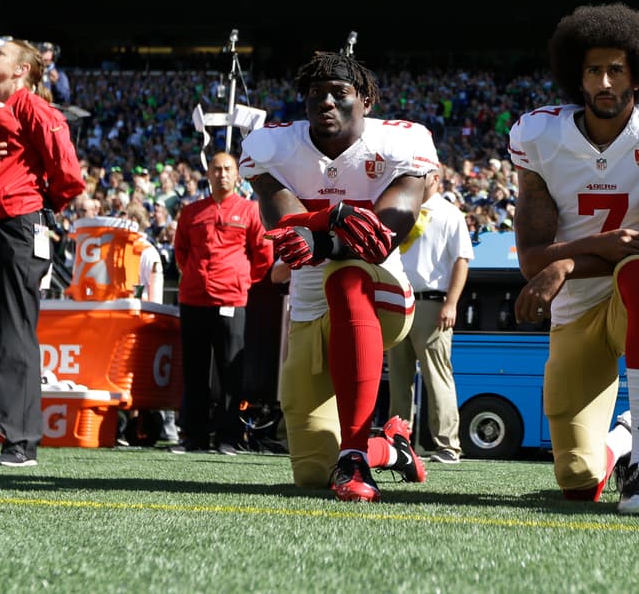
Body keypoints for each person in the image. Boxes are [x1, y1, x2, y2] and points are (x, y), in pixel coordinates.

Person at [508, 3, 639, 517]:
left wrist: (567, 263)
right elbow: (531, 259)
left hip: (635, 297)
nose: (603, 81)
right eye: (593, 70)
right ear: (575, 76)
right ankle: (621, 440)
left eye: (615, 69)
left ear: (637, 75)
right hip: (574, 312)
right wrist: (570, 259)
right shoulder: (539, 136)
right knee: (577, 480)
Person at [241, 49, 436, 502]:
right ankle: (389, 450)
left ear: (365, 100)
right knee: (312, 472)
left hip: (382, 294)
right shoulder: (272, 146)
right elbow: (285, 224)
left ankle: (353, 455)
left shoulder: (401, 142)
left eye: (339, 92)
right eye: (316, 92)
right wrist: (335, 218)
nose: (326, 101)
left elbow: (380, 239)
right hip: (309, 312)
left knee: (345, 277)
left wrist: (323, 239)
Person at [0, 39, 85, 467]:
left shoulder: (38, 110)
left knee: (14, 333)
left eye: (0, 54)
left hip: (16, 227)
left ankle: (20, 442)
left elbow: (68, 174)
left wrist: (35, 207)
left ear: (23, 69)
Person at [172, 152, 272, 455]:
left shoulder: (250, 211)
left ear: (237, 175)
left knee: (231, 371)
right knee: (195, 370)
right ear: (208, 174)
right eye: (216, 169)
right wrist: (196, 276)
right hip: (193, 299)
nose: (222, 174)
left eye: (228, 169)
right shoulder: (191, 212)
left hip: (231, 299)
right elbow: (181, 253)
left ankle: (229, 437)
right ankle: (194, 436)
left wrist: (239, 280)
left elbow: (263, 256)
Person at [388, 168, 472, 464]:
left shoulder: (450, 214)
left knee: (437, 374)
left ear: (435, 178)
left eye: (421, 175)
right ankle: (397, 441)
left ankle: (448, 444)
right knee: (398, 377)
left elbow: (462, 260)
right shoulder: (399, 211)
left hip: (431, 303)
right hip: (398, 301)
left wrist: (451, 303)